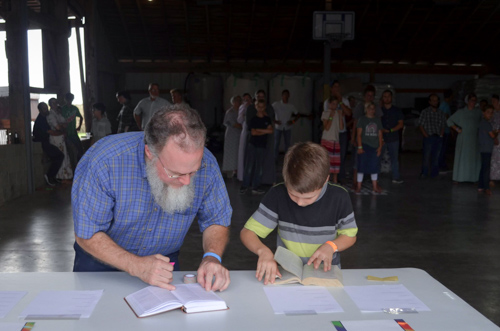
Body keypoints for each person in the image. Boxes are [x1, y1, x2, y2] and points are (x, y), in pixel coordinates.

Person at [72, 104, 232, 292]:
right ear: (150, 153)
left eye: (193, 172)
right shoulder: (106, 161)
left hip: (164, 266)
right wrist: (136, 265)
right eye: (176, 173)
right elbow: (87, 232)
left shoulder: (208, 165)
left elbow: (216, 219)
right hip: (101, 264)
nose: (187, 181)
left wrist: (212, 257)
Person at [240, 142, 357, 285]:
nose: (300, 203)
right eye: (293, 194)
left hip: (325, 275)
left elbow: (350, 236)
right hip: (287, 275)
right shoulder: (277, 195)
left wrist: (331, 246)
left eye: (308, 197)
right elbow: (247, 233)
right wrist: (263, 251)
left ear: (326, 179)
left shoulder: (339, 197)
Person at [351, 85, 383, 188]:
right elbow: (355, 123)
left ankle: (375, 183)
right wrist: (353, 138)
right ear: (364, 96)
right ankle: (356, 183)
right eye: (368, 95)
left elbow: (379, 126)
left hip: (373, 140)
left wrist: (381, 142)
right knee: (358, 162)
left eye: (372, 95)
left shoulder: (376, 107)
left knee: (374, 163)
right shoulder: (360, 107)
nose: (370, 97)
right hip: (362, 140)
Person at [240, 99, 273, 195]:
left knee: (259, 167)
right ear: (256, 107)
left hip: (262, 146)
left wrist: (259, 130)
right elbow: (253, 133)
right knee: (249, 166)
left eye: (262, 107)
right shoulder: (253, 119)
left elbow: (271, 131)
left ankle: (255, 186)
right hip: (253, 145)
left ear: (265, 107)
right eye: (259, 107)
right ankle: (245, 185)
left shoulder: (267, 119)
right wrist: (264, 130)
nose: (261, 109)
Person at [447, 93, 482, 183]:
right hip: (464, 137)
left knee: (473, 158)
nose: (473, 103)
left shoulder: (478, 112)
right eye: (471, 100)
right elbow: (449, 121)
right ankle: (459, 177)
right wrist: (457, 129)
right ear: (467, 101)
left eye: (474, 101)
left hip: (474, 138)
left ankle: (474, 178)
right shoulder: (461, 112)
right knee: (462, 157)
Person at [323, 81, 352, 182]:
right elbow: (326, 116)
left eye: (338, 87)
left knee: (340, 156)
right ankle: (328, 178)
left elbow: (348, 113)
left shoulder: (344, 100)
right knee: (328, 157)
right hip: (330, 133)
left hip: (341, 132)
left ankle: (340, 178)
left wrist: (340, 102)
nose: (337, 89)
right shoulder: (327, 102)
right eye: (335, 87)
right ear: (331, 89)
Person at [245, 90, 276, 185]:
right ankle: (248, 183)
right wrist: (262, 131)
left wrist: (260, 131)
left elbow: (271, 125)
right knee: (250, 163)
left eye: (262, 96)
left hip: (266, 140)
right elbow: (251, 128)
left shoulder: (269, 108)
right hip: (253, 141)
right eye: (258, 96)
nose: (260, 98)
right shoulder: (250, 109)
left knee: (263, 162)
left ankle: (263, 181)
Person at [33, 102, 64, 186]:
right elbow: (51, 132)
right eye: (44, 108)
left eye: (46, 108)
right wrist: (62, 133)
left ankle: (53, 177)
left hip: (46, 141)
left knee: (57, 157)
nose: (46, 110)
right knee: (60, 156)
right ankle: (49, 176)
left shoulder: (45, 118)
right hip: (42, 143)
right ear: (39, 110)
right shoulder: (41, 120)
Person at [356, 102, 384, 193]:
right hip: (365, 145)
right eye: (370, 108)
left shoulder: (377, 120)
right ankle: (359, 186)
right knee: (361, 166)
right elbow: (359, 134)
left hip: (374, 146)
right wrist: (360, 147)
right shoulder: (362, 119)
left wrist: (380, 146)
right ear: (366, 109)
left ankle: (375, 186)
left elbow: (380, 134)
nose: (372, 110)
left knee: (374, 166)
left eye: (373, 109)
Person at [418, 94, 447, 179]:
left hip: (438, 137)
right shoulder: (425, 112)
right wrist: (426, 135)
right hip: (429, 137)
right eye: (433, 100)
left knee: (436, 157)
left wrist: (441, 135)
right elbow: (421, 125)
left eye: (436, 100)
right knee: (426, 157)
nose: (435, 102)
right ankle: (424, 173)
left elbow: (443, 125)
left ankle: (434, 174)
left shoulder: (441, 113)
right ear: (429, 102)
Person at [380, 90, 404, 184]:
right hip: (381, 138)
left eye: (388, 96)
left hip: (393, 137)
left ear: (392, 97)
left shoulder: (397, 110)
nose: (386, 98)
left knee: (394, 158)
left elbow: (401, 124)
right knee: (378, 157)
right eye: (385, 96)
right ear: (382, 98)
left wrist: (390, 130)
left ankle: (396, 176)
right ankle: (375, 177)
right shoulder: (379, 110)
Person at [47, 98, 73, 180]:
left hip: (61, 137)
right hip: (55, 139)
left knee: (65, 155)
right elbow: (57, 127)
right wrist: (61, 126)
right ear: (50, 105)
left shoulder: (58, 114)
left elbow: (65, 123)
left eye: (56, 103)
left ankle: (65, 175)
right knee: (60, 155)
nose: (55, 104)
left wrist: (61, 126)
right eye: (53, 103)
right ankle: (60, 176)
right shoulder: (50, 115)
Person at [321, 96, 344, 183]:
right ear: (329, 104)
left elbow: (341, 128)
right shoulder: (325, 113)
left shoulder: (338, 114)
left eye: (336, 104)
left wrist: (341, 116)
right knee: (327, 161)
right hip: (327, 140)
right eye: (333, 104)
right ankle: (326, 180)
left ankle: (335, 180)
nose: (335, 106)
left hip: (335, 140)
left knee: (336, 162)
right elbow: (326, 127)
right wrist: (331, 116)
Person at [272, 90, 299, 161]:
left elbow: (298, 114)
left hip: (287, 127)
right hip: (278, 127)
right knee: (276, 144)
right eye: (284, 95)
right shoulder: (276, 104)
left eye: (287, 95)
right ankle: (275, 159)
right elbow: (269, 111)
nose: (286, 96)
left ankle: (287, 160)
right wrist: (274, 121)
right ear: (282, 96)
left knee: (287, 144)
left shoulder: (291, 106)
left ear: (289, 96)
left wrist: (293, 121)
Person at [478, 105, 498, 195]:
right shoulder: (486, 124)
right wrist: (496, 133)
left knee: (483, 167)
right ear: (484, 113)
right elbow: (492, 136)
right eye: (488, 112)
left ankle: (481, 186)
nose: (490, 115)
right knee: (486, 168)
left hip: (483, 148)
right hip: (486, 149)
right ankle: (486, 187)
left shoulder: (482, 123)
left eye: (491, 113)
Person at [61, 92, 84, 171]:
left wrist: (79, 127)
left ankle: (78, 168)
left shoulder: (73, 108)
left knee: (79, 151)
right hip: (67, 134)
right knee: (72, 152)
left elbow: (81, 117)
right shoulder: (63, 109)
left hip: (72, 133)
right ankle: (74, 170)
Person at [222, 95, 243, 178]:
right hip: (231, 135)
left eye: (239, 101)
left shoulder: (241, 111)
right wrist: (244, 126)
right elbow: (234, 124)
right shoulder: (230, 112)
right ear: (233, 102)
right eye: (237, 101)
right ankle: (226, 170)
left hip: (239, 135)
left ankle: (236, 170)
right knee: (229, 152)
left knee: (237, 153)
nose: (238, 102)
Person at [237, 93, 253, 181]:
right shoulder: (242, 107)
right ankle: (242, 175)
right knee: (243, 151)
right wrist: (243, 112)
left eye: (248, 99)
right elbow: (239, 120)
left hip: (253, 130)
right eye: (245, 100)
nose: (247, 101)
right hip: (245, 130)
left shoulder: (254, 107)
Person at [438, 89, 452, 171]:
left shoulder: (442, 105)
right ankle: (442, 165)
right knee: (443, 149)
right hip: (445, 130)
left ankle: (441, 164)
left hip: (442, 129)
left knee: (441, 148)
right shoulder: (446, 106)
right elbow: (446, 117)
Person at [489, 95, 500, 184]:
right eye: (492, 101)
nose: (493, 103)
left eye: (494, 101)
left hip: (498, 135)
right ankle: (492, 178)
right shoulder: (493, 113)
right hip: (493, 135)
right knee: (494, 157)